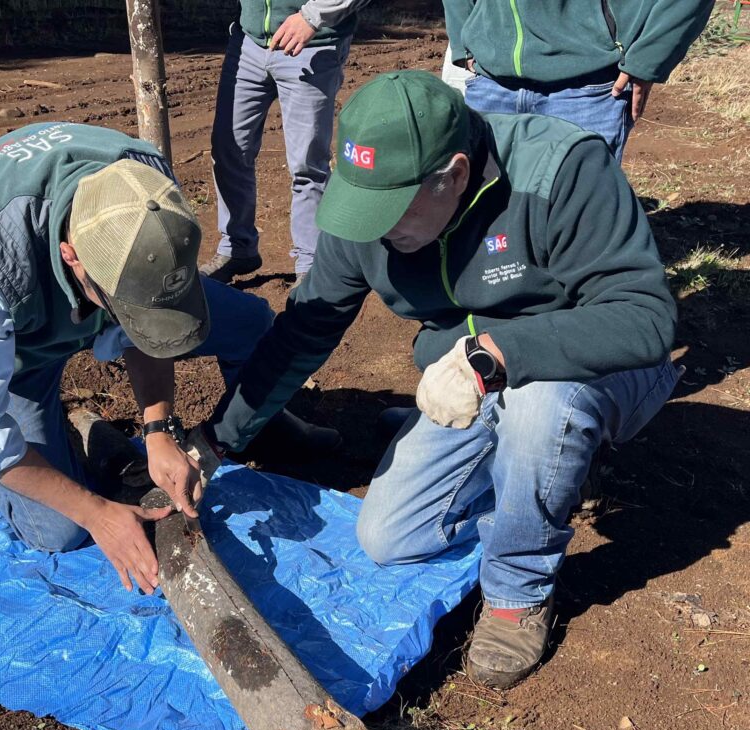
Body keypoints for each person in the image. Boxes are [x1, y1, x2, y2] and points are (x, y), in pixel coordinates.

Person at [203, 72, 680, 689]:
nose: (371, 228)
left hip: (589, 362)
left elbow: (646, 319)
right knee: (387, 537)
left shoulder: (561, 170)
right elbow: (303, 331)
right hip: (474, 371)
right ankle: (523, 458)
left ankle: (519, 590)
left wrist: (495, 352)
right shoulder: (366, 211)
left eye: (389, 210)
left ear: (454, 175)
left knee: (542, 408)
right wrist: (218, 439)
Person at [0, 122, 336, 596]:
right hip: (16, 344)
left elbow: (147, 329)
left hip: (86, 296)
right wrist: (97, 513)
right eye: (122, 307)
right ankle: (46, 414)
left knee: (250, 325)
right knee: (59, 531)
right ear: (73, 258)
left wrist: (158, 432)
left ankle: (263, 427)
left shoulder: (145, 190)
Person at [199, 0, 369, 286]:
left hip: (312, 44)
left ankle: (312, 264)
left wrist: (312, 17)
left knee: (307, 165)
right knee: (229, 149)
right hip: (248, 43)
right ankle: (237, 247)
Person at [443, 0, 713, 161]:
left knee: (582, 220)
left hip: (588, 85)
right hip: (491, 82)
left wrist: (650, 56)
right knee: (490, 219)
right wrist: (464, 39)